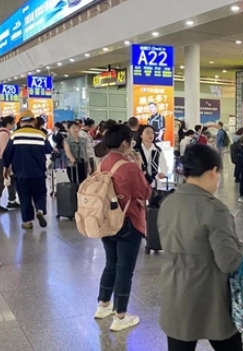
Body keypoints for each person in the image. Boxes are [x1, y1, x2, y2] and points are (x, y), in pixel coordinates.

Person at [158, 144, 243, 351]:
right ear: (213, 171)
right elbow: (228, 262)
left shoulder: (168, 203)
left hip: (175, 294)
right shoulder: (214, 209)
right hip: (210, 298)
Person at [93, 124, 151, 332]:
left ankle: (103, 305)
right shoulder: (129, 167)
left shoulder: (103, 163)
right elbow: (145, 193)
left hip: (106, 221)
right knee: (125, 269)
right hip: (128, 221)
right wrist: (139, 167)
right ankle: (120, 316)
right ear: (125, 143)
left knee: (111, 263)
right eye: (131, 141)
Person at [3, 110, 54, 229]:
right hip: (38, 171)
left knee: (24, 196)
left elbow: (7, 154)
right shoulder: (40, 134)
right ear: (34, 122)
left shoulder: (15, 135)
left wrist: (6, 167)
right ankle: (40, 210)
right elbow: (48, 149)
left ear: (20, 122)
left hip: (21, 172)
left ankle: (27, 221)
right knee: (40, 193)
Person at [0, 116, 18, 213]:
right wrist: (7, 165)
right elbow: (4, 150)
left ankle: (12, 200)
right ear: (8, 124)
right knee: (0, 181)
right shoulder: (3, 134)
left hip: (4, 160)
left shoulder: (5, 133)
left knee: (11, 180)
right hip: (1, 160)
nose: (14, 125)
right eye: (13, 123)